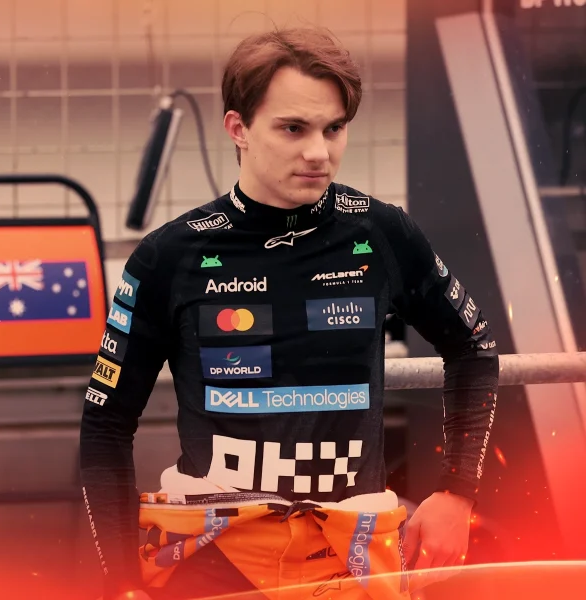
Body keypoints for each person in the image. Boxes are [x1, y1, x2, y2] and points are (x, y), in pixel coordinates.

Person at [78, 27, 499, 600]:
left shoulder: (382, 233)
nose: (319, 152)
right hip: (214, 557)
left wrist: (457, 492)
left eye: (335, 128)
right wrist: (120, 582)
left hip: (353, 556)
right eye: (293, 128)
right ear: (238, 129)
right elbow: (104, 425)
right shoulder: (168, 256)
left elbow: (473, 347)